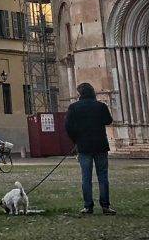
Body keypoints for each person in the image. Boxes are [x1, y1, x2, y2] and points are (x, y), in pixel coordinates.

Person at [65, 82, 115, 215]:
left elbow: (68, 127)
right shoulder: (101, 106)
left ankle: (88, 206)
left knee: (86, 177)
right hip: (100, 145)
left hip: (83, 146)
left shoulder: (74, 107)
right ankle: (105, 206)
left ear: (80, 94)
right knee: (103, 176)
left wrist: (75, 140)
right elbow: (108, 120)